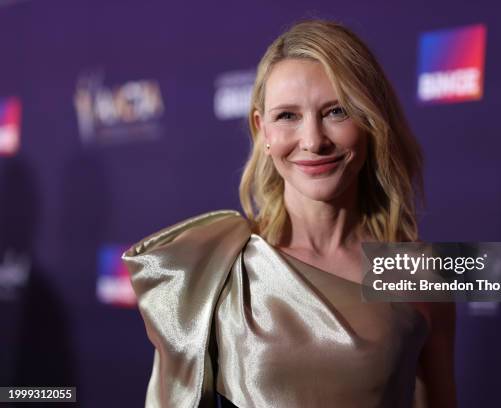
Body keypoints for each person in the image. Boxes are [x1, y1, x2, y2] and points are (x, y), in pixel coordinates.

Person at [123, 19, 456, 408]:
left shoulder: (421, 272)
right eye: (287, 116)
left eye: (336, 111)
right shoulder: (218, 266)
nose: (313, 140)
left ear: (371, 122)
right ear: (261, 130)